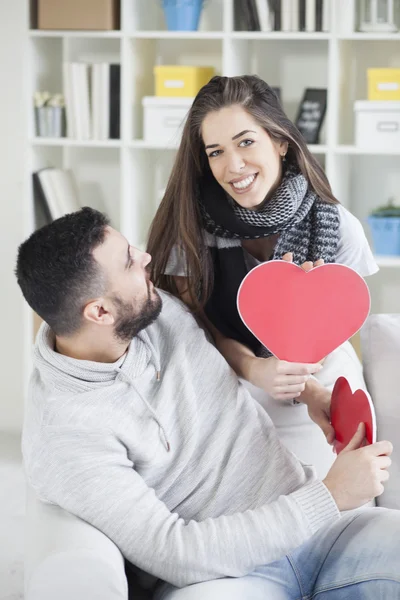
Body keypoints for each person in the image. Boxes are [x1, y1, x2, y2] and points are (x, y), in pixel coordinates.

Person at [16, 207, 399, 600]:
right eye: (130, 261)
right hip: (224, 581)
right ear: (99, 312)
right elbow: (174, 552)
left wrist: (308, 391)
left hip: (324, 537)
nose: (146, 258)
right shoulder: (64, 434)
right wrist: (331, 495)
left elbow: (230, 349)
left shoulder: (158, 313)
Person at [146, 75, 378, 476]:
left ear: (281, 142)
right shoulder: (189, 229)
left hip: (318, 381)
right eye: (215, 151)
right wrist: (255, 369)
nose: (233, 166)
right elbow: (196, 332)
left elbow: (338, 333)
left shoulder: (339, 227)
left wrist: (309, 384)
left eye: (246, 141)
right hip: (226, 378)